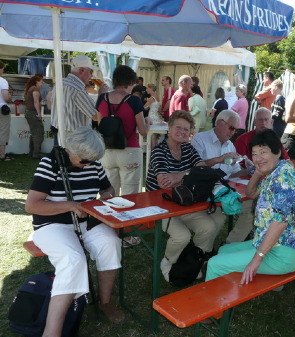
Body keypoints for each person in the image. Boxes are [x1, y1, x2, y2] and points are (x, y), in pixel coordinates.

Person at [25, 127, 124, 335]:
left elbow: (107, 188)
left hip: (85, 222)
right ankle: (53, 331)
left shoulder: (93, 163)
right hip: (52, 225)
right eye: (84, 160)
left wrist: (107, 194)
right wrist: (69, 205)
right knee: (73, 259)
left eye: (91, 161)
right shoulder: (50, 164)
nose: (88, 164)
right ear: (70, 150)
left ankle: (105, 302)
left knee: (111, 243)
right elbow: (32, 205)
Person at [206, 129, 295, 284]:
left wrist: (256, 260)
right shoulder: (274, 172)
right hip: (271, 244)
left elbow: (280, 222)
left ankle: (215, 304)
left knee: (215, 264)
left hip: (283, 253)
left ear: (277, 152)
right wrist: (258, 172)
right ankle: (228, 292)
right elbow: (252, 193)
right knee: (223, 250)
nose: (258, 158)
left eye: (263, 152)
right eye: (254, 154)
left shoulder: (284, 179)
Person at [146, 110, 222, 282]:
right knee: (182, 236)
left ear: (190, 133)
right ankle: (167, 262)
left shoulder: (188, 148)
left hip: (183, 201)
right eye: (178, 127)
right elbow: (163, 184)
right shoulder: (160, 151)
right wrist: (189, 175)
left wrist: (179, 176)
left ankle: (191, 259)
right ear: (169, 128)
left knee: (209, 227)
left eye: (186, 129)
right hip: (159, 206)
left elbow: (202, 170)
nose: (182, 132)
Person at [192, 110, 253, 243]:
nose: (233, 132)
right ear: (219, 123)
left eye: (236, 130)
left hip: (224, 193)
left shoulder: (230, 145)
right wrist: (218, 159)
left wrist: (249, 170)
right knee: (217, 221)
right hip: (204, 192)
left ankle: (228, 246)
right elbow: (195, 169)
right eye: (231, 127)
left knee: (253, 209)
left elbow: (234, 172)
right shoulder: (199, 139)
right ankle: (201, 253)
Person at [96, 65, 147, 197]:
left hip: (107, 151)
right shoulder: (134, 100)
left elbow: (100, 123)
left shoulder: (102, 98)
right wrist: (147, 122)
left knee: (109, 194)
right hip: (129, 150)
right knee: (130, 197)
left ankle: (108, 217)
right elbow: (143, 131)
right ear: (130, 82)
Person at [51, 55, 102, 145]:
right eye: (91, 71)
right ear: (82, 70)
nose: (91, 75)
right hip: (76, 137)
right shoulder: (77, 89)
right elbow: (95, 116)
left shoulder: (60, 83)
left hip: (61, 133)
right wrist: (102, 95)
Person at [24, 75, 45, 159]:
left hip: (29, 113)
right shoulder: (35, 89)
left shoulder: (30, 88)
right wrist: (39, 113)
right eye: (41, 81)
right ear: (36, 82)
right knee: (38, 133)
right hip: (33, 113)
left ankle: (32, 152)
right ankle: (36, 153)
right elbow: (36, 102)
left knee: (34, 133)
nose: (42, 83)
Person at [0, 60, 12, 161]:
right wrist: (10, 97)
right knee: (3, 131)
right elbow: (6, 97)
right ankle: (2, 155)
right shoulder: (3, 81)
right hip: (2, 109)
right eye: (3, 68)